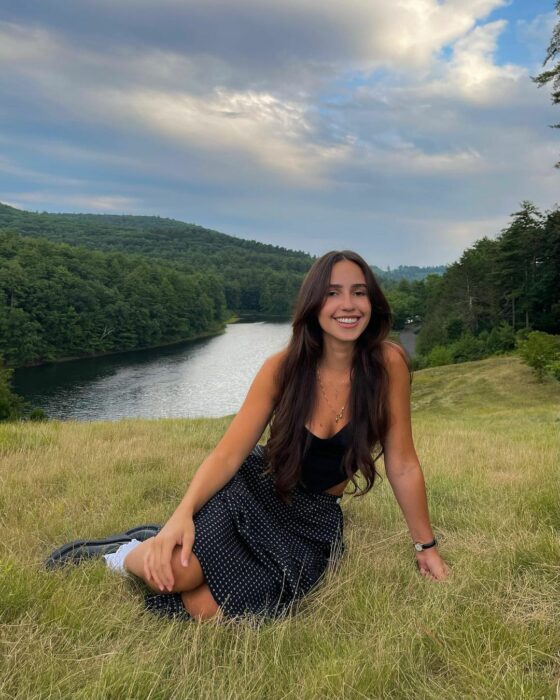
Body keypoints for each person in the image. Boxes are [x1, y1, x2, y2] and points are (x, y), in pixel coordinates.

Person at [46, 250, 449, 622]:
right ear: (314, 305)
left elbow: (402, 463)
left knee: (208, 610)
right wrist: (180, 515)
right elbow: (226, 456)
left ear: (372, 302)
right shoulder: (283, 368)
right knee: (173, 573)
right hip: (255, 491)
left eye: (359, 292)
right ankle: (124, 553)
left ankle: (156, 542)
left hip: (311, 520)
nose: (348, 304)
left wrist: (425, 547)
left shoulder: (387, 364)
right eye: (332, 293)